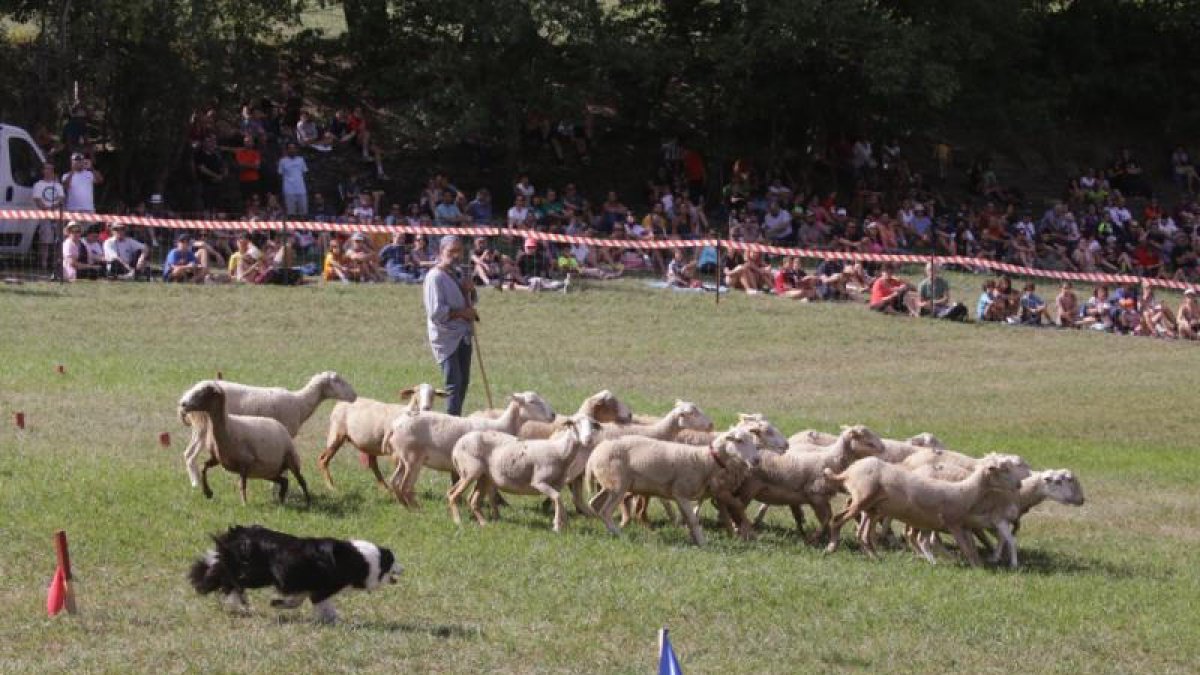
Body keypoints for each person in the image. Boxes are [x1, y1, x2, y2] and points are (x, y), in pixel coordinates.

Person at [423, 236, 477, 416]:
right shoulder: (435, 277)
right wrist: (462, 313)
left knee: (463, 382)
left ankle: (456, 418)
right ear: (441, 252)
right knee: (453, 383)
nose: (455, 255)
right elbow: (436, 312)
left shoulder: (458, 273)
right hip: (445, 337)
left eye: (458, 251)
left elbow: (469, 300)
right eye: (451, 251)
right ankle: (451, 423)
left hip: (463, 334)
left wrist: (469, 290)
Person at [32, 162, 66, 271]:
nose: (49, 171)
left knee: (58, 240)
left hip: (57, 216)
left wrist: (53, 207)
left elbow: (61, 198)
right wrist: (47, 209)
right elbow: (37, 200)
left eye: (51, 169)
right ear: (43, 171)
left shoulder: (58, 185)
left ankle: (56, 264)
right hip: (44, 216)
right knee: (45, 240)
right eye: (46, 169)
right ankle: (44, 264)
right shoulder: (38, 185)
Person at [278, 142, 309, 217]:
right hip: (288, 190)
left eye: (293, 148)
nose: (292, 150)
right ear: (287, 150)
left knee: (303, 212)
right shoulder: (282, 161)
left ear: (296, 149)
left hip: (301, 189)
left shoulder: (301, 160)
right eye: (290, 148)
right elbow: (280, 175)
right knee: (291, 213)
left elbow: (304, 173)